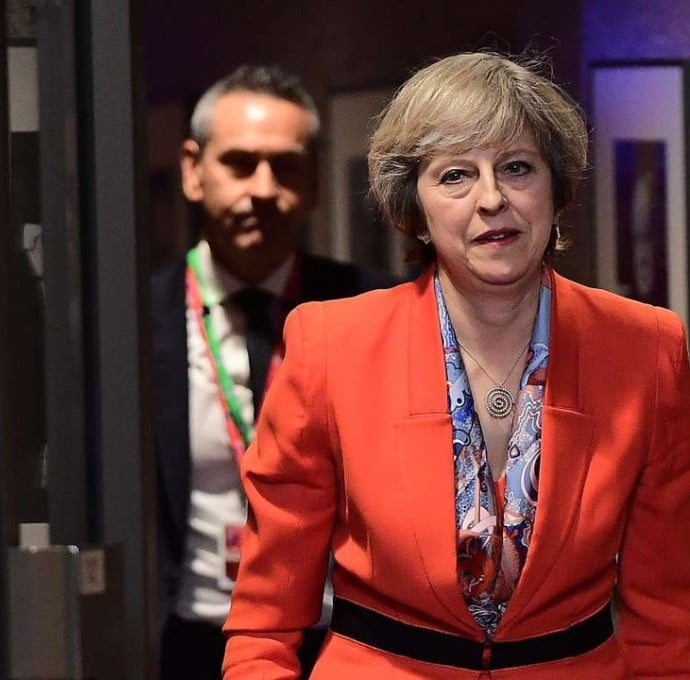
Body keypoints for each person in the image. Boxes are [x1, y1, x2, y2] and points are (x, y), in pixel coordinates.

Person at [222, 51, 690, 678]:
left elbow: (667, 618)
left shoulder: (645, 349)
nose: (491, 199)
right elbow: (265, 621)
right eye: (455, 175)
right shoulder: (330, 346)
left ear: (555, 190)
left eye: (516, 168)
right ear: (416, 209)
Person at [152, 64, 393, 679]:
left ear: (313, 180)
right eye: (238, 163)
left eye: (285, 166)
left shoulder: (370, 310)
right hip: (187, 643)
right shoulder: (128, 323)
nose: (262, 188)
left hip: (339, 645)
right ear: (191, 169)